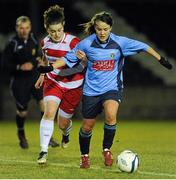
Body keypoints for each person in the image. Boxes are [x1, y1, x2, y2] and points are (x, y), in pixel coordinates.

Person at [37, 11, 172, 168]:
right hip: (91, 91)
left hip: (112, 88)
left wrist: (161, 59)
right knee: (87, 126)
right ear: (95, 28)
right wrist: (50, 67)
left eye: (105, 29)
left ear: (111, 28)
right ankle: (84, 156)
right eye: (99, 29)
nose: (102, 32)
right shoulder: (86, 44)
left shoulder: (120, 42)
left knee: (111, 114)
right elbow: (67, 59)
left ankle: (106, 150)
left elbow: (144, 46)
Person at [35, 5, 85, 164]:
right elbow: (45, 59)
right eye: (52, 31)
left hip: (73, 86)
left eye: (59, 30)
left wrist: (82, 58)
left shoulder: (73, 42)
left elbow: (84, 64)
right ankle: (43, 151)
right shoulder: (44, 42)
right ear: (46, 28)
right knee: (49, 112)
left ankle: (66, 133)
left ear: (63, 25)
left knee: (62, 123)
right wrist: (42, 74)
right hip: (53, 81)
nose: (56, 34)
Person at [2, 16, 59, 149]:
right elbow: (5, 64)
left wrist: (39, 61)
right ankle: (21, 134)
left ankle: (48, 137)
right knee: (23, 112)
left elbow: (38, 55)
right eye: (21, 28)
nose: (24, 30)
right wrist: (19, 67)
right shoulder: (12, 44)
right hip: (19, 82)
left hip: (34, 78)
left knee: (45, 107)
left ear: (30, 28)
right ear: (17, 28)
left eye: (26, 28)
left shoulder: (33, 39)